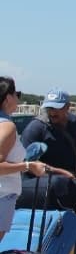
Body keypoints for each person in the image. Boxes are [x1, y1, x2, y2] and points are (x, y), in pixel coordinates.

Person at [0, 77, 55, 236]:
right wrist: (28, 166)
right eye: (17, 94)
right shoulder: (7, 126)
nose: (18, 98)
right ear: (8, 98)